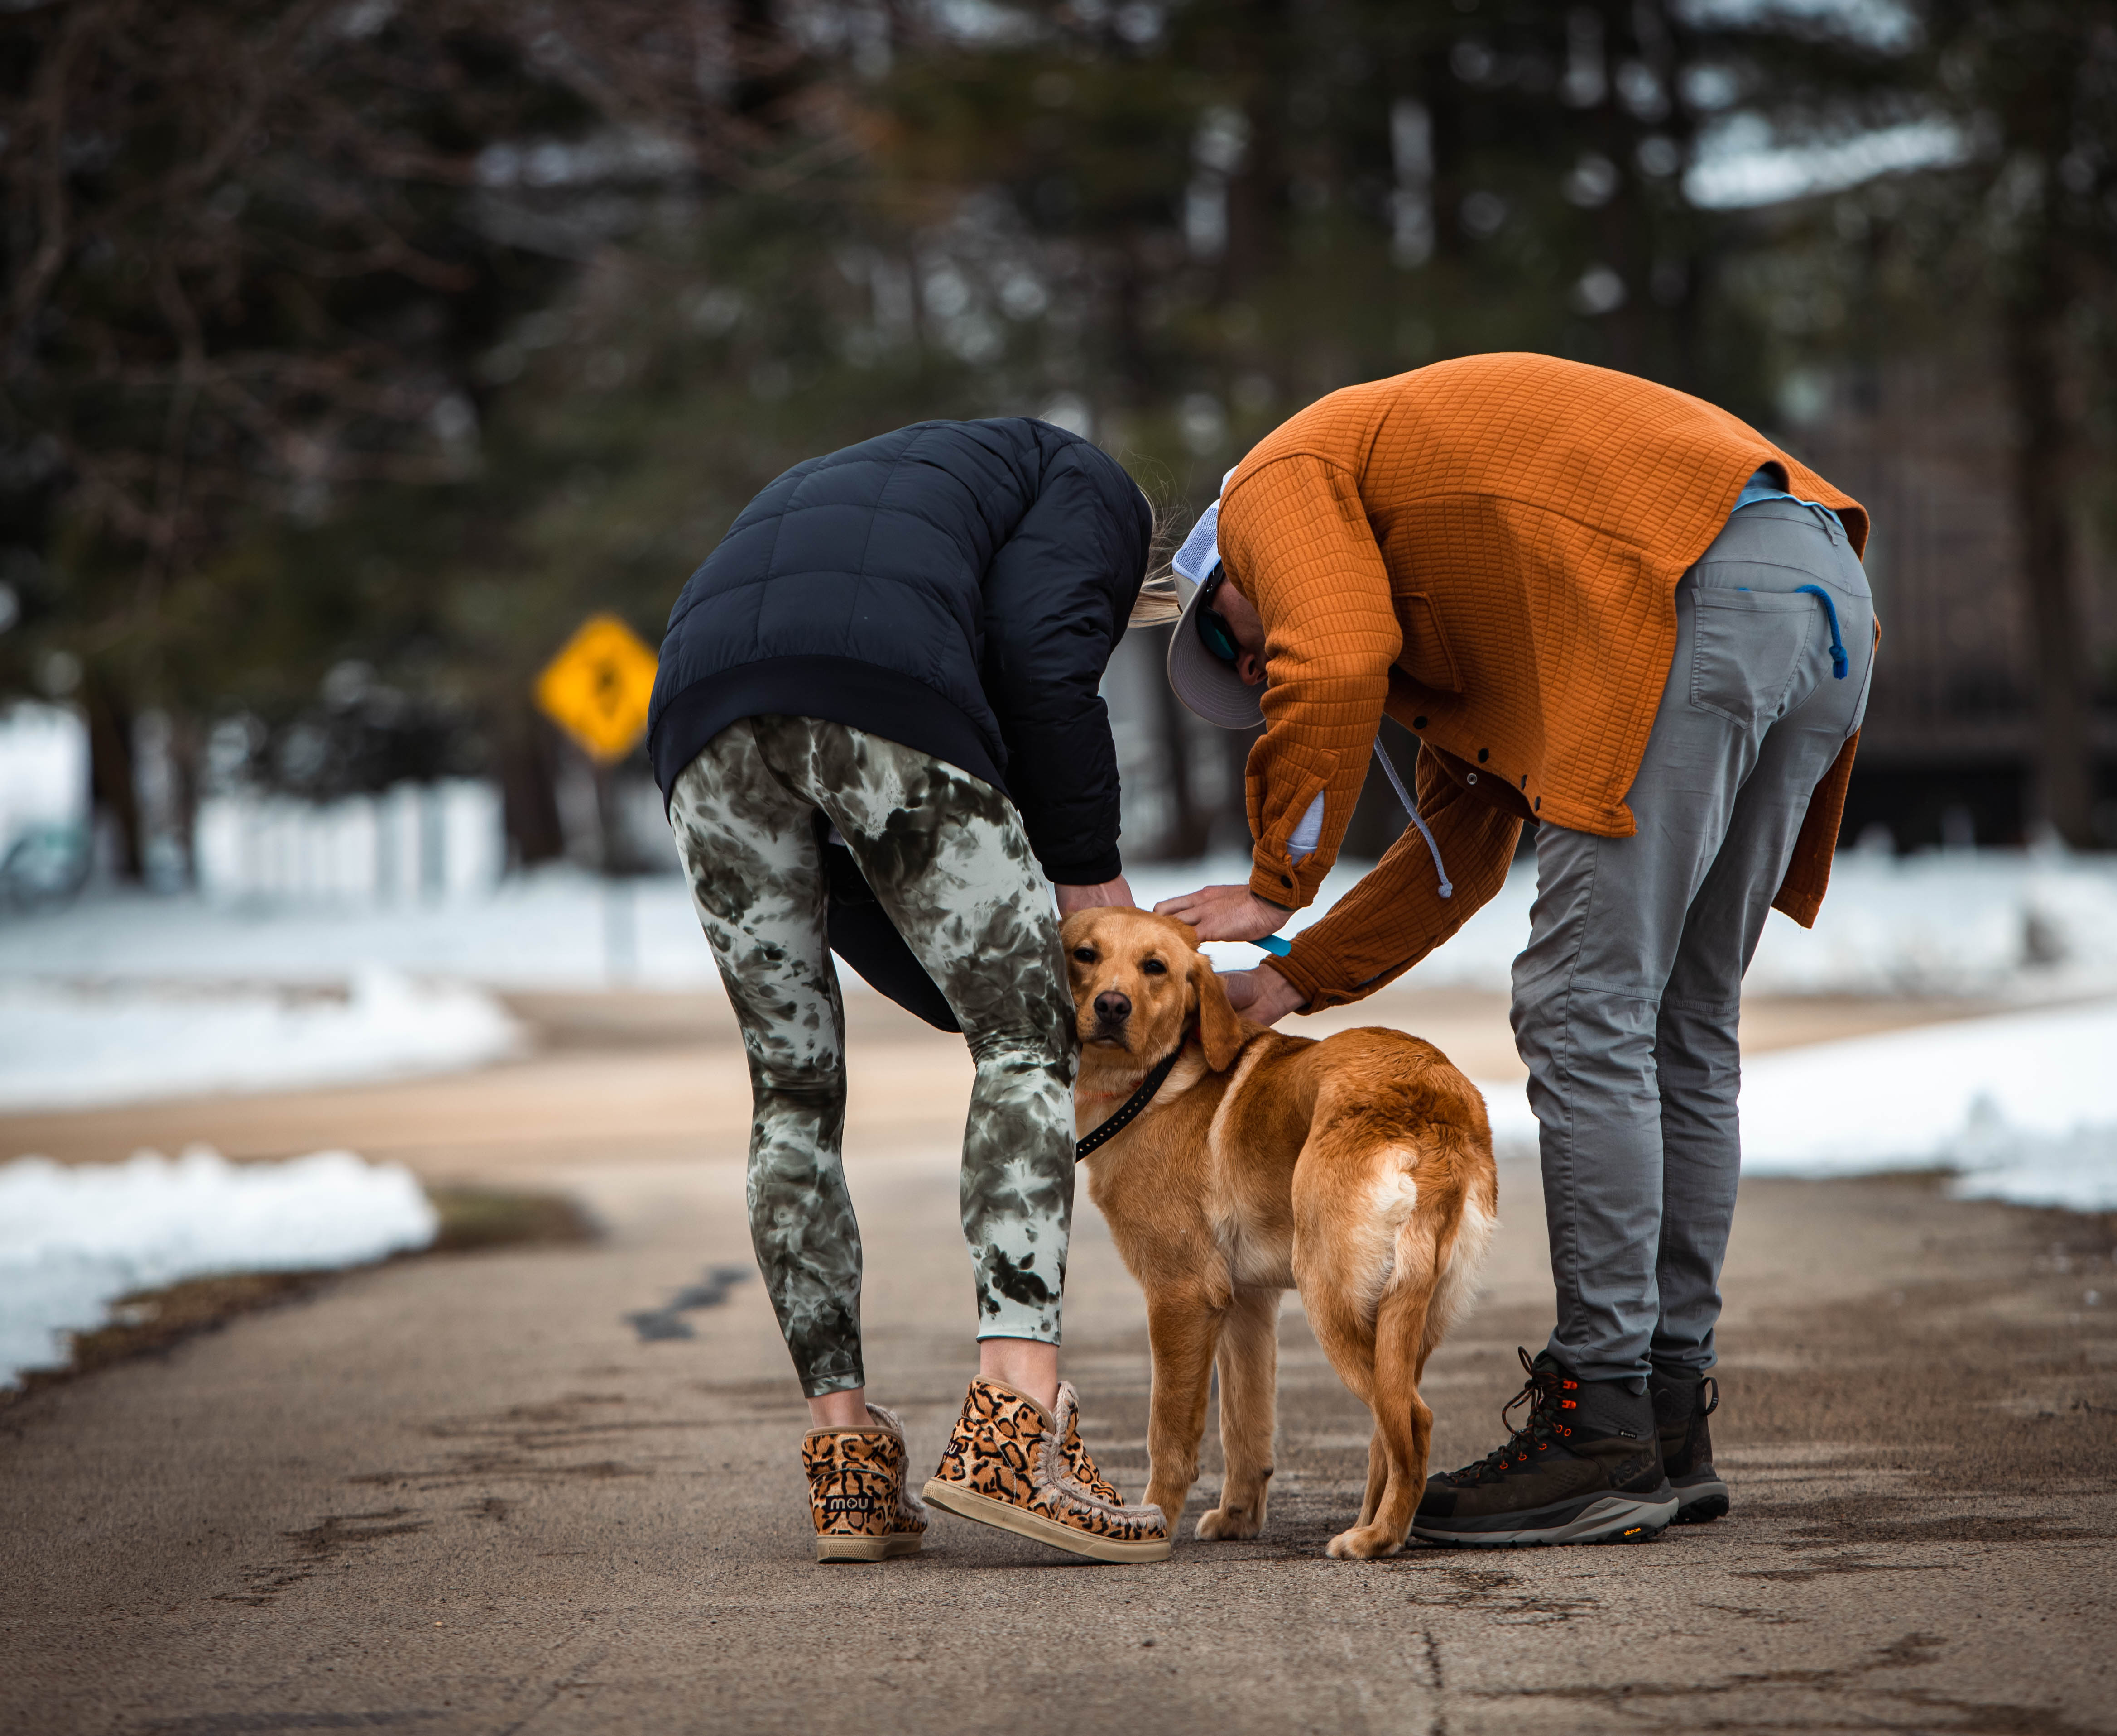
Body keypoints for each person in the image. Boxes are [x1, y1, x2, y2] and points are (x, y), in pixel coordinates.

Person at [1152, 352, 1876, 1549]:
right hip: (1816, 589)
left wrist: (1276, 883)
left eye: (1237, 649)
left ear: (1227, 571)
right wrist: (1288, 977)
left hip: (1679, 588)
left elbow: (1326, 658)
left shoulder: (1273, 482)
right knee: (1682, 1022)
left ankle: (1601, 1423)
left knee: (1584, 1007)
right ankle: (1663, 1420)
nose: (1254, 671)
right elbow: (1455, 856)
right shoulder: (1470, 622)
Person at [646, 417, 1178, 1565]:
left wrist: (968, 973)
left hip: (697, 715)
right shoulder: (1090, 486)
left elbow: (880, 894)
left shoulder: (865, 487)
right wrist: (1090, 878)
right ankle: (1016, 1419)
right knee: (1029, 1045)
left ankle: (846, 1463)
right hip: (878, 691)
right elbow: (1042, 660)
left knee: (791, 1097)